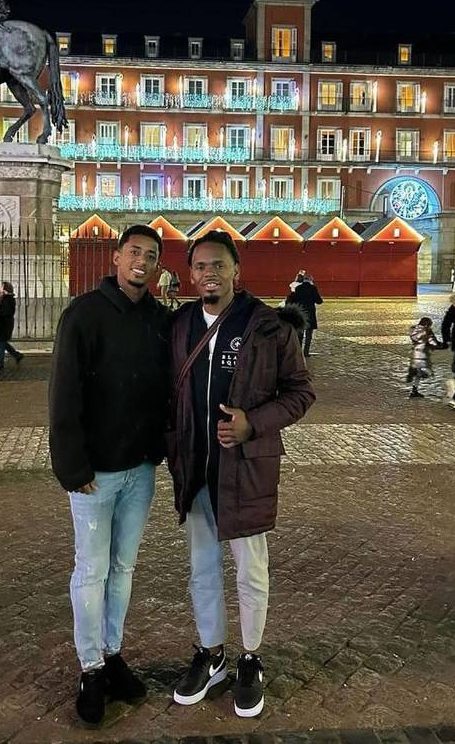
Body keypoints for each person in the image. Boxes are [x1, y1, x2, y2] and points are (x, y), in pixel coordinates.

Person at [167, 231, 315, 719]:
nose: (210, 273)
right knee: (202, 569)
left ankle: (250, 657)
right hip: (196, 470)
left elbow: (300, 392)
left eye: (219, 265)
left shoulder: (268, 326)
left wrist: (254, 423)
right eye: (201, 266)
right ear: (190, 274)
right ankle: (211, 654)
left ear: (236, 271)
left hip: (247, 470)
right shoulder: (180, 325)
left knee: (251, 570)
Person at [48, 224, 170, 728]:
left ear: (159, 266)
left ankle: (113, 651)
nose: (142, 261)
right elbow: (64, 393)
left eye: (152, 255)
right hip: (94, 473)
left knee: (123, 569)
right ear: (117, 257)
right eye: (135, 252)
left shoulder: (158, 319)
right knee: (91, 571)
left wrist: (160, 449)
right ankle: (91, 667)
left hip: (140, 468)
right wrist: (71, 466)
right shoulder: (83, 314)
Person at [406, 316, 442, 398]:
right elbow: (433, 343)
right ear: (426, 325)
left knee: (419, 373)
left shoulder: (414, 329)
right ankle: (414, 386)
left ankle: (414, 390)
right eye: (430, 326)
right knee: (425, 372)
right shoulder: (426, 331)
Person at [0, 281, 23, 370]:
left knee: (1, 343)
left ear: (5, 289)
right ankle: (17, 355)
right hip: (2, 324)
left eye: (1, 287)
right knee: (2, 342)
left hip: (5, 325)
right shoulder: (4, 298)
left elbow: (6, 312)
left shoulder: (8, 299)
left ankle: (0, 363)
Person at [291, 273, 324, 357]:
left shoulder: (298, 288)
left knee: (300, 335)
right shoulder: (313, 288)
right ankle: (306, 352)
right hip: (310, 313)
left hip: (300, 313)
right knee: (309, 335)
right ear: (310, 280)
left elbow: (294, 300)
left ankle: (298, 352)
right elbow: (319, 301)